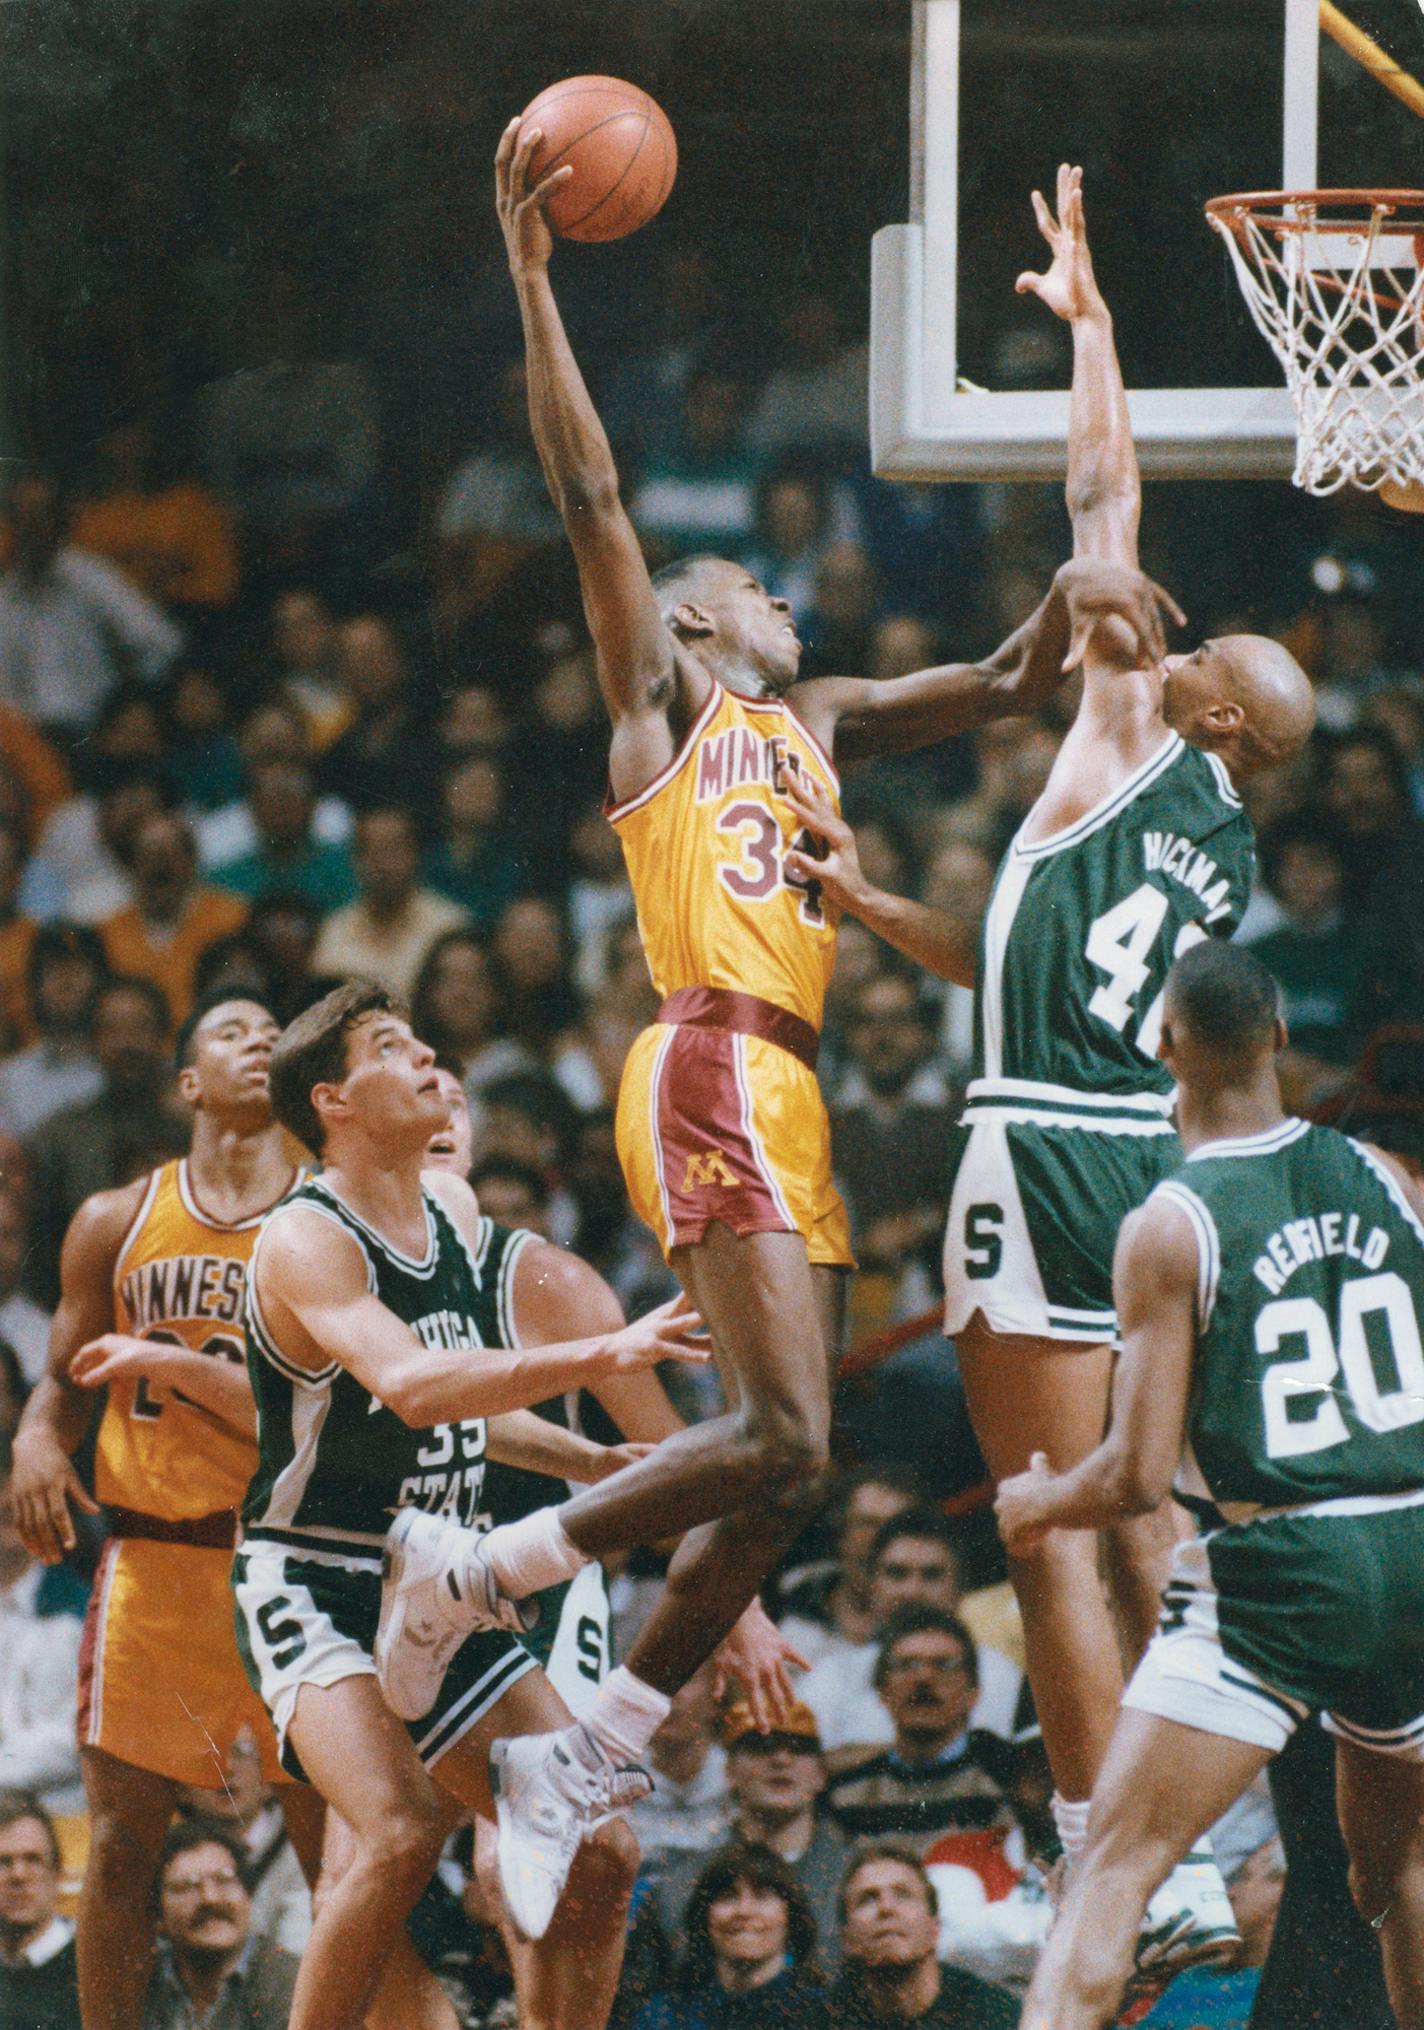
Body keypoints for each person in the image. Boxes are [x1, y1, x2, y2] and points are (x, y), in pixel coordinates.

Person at [370, 121, 1185, 1944]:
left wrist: (1081, 559)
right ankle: (485, 1571)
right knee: (785, 1430)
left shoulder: (813, 708)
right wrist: (528, 278)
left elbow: (1000, 680)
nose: (782, 594)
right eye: (756, 592)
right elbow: (587, 496)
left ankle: (585, 1742)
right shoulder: (660, 706)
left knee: (790, 1457)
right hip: (712, 1052)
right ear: (692, 617)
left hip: (787, 1087)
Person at [780, 165, 1315, 1967]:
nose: (1161, 650)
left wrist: (1089, 328)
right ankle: (1225, 1808)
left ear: (1210, 706)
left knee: (1038, 1530)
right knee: (1134, 1514)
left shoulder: (1123, 729)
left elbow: (1103, 501)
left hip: (1033, 1157)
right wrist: (864, 907)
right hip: (1130, 1159)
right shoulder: (1216, 858)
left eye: (1195, 657)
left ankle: (1121, 1852)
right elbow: (1024, 968)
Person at [229, 979, 707, 2030]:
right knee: (399, 1832)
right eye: (392, 1047)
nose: (430, 1057)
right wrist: (606, 1350)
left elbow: (452, 1413)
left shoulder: (443, 1214)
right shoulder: (306, 1237)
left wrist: (587, 1457)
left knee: (602, 1847)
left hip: (427, 1573)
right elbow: (411, 1384)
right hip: (312, 1573)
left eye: (423, 1041)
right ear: (333, 1101)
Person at [993, 939, 1424, 2030]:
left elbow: (1137, 1476)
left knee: (1109, 1876)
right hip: (1411, 1544)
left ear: (1160, 1045)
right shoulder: (1387, 1175)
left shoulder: (1169, 1223)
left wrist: (1040, 1502)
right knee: (1398, 1872)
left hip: (1284, 1568)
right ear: (1279, 1034)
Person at [7, 992, 327, 2030]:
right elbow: (61, 1374)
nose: (259, 1042)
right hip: (153, 1563)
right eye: (233, 1030)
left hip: (290, 1562)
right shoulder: (117, 1217)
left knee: (339, 1856)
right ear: (188, 1081)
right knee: (120, 1852)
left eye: (273, 1036)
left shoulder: (330, 1213)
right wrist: (35, 1436)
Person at [638, 1699, 851, 1976]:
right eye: (761, 1747)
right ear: (729, 1772)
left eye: (798, 1749)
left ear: (821, 1774)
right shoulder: (681, 1886)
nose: (781, 1760)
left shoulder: (857, 1877)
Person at [797, 1511, 1022, 1751]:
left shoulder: (999, 1675)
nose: (912, 1591)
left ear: (960, 1589)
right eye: (897, 1574)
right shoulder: (828, 1677)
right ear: (872, 1585)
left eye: (931, 1575)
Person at [823, 1608, 1012, 1852]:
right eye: (905, 1664)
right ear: (882, 1691)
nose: (923, 1677)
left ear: (973, 1692)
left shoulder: (1003, 1786)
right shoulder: (848, 1794)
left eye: (944, 1664)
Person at [631, 1845, 826, 2030]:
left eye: (763, 1896)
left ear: (791, 1915)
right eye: (728, 1896)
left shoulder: (821, 2012)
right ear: (705, 1915)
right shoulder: (664, 2015)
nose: (744, 1910)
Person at [827, 1845, 1017, 2030]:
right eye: (867, 1899)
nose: (886, 1907)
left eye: (903, 1894)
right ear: (846, 1939)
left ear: (934, 1927)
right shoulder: (823, 2019)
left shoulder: (994, 2013)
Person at [143, 1819, 297, 2030]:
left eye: (225, 1880)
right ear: (158, 1915)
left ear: (248, 1896)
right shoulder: (138, 1986)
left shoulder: (292, 1984)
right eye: (187, 1886)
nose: (210, 1898)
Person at [0, 1438, 86, 1811]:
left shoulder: (79, 1609)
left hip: (58, 1823)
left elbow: (73, 1738)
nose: (6, 1501)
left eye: (16, 1488)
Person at [0, 1791, 79, 2030]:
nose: (19, 1875)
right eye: (3, 1862)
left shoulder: (96, 1966)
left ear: (58, 1874)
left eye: (33, 1860)